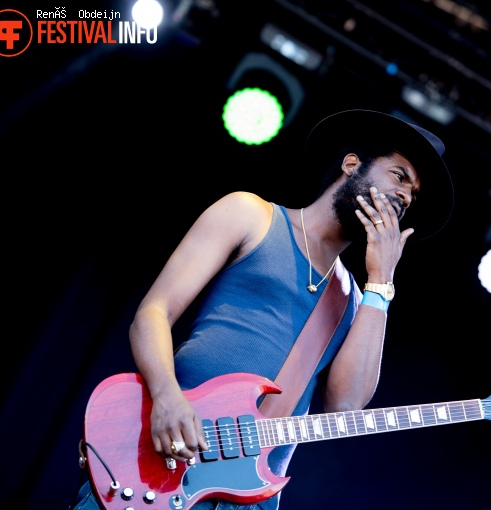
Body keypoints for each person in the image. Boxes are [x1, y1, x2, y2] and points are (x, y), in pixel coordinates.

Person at [72, 109, 454, 510]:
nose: (405, 197)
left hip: (247, 496)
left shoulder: (358, 302)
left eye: (413, 196)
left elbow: (345, 407)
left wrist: (381, 285)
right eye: (400, 176)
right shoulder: (251, 215)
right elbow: (154, 311)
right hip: (162, 452)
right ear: (352, 164)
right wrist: (166, 396)